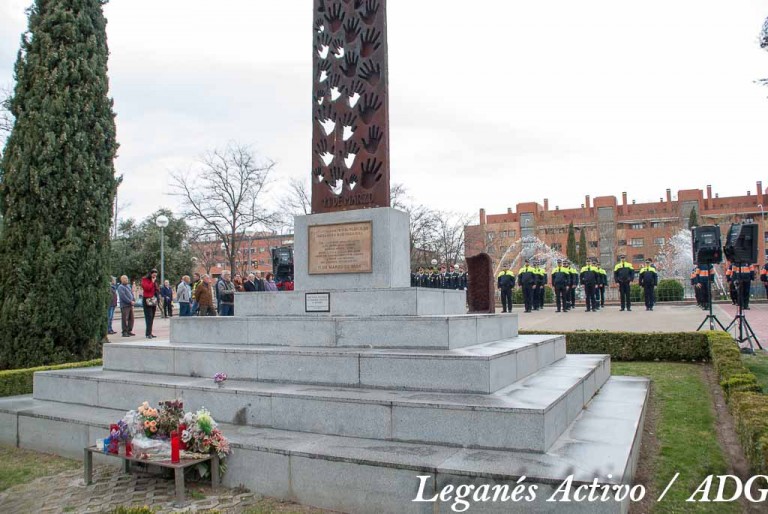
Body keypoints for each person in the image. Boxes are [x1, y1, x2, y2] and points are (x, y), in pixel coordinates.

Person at [141, 269, 160, 339]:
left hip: (153, 299)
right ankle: (148, 333)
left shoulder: (155, 281)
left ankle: (150, 332)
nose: (154, 276)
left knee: (152, 317)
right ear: (150, 274)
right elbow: (147, 288)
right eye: (153, 275)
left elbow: (156, 289)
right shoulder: (145, 279)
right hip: (147, 299)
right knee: (149, 316)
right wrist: (152, 282)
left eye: (155, 275)